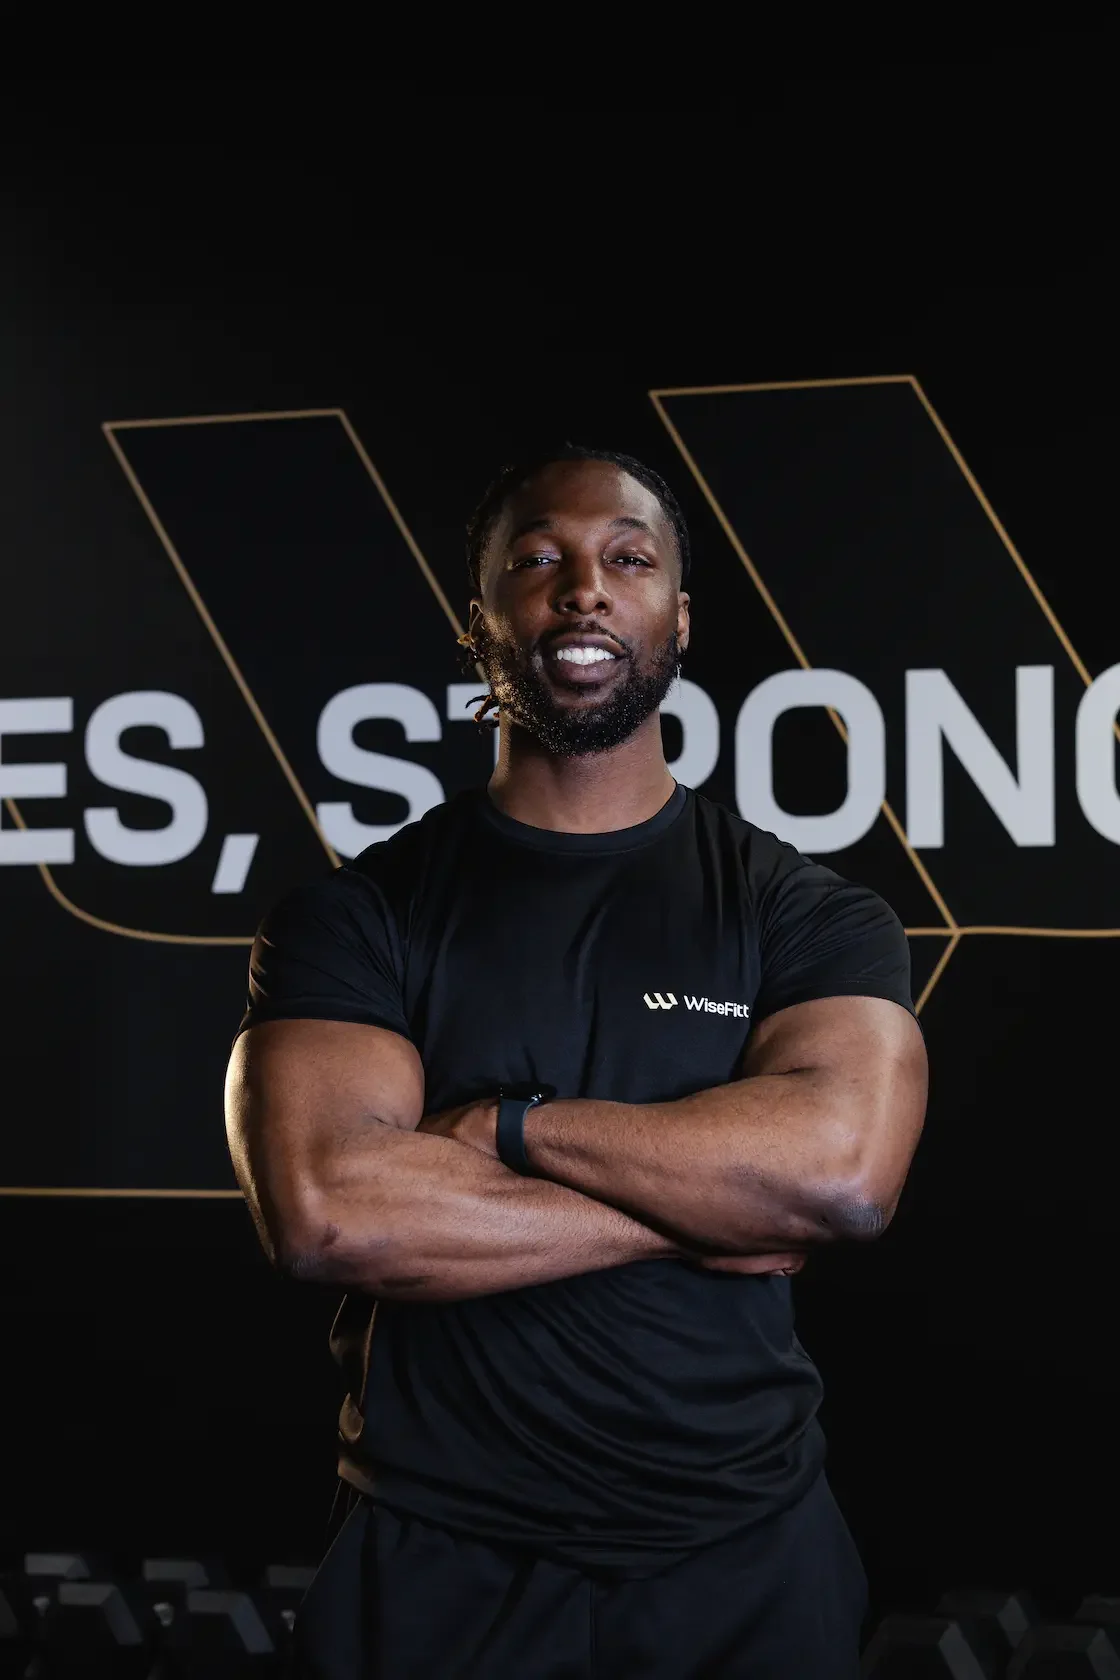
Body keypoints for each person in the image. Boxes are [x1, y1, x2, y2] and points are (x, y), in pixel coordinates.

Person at [225, 446, 928, 1679]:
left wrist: (507, 1130)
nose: (583, 587)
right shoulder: (356, 918)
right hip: (435, 1558)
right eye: (538, 559)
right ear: (480, 619)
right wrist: (697, 1213)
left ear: (678, 619)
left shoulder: (807, 915)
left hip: (745, 1559)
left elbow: (836, 1179)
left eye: (627, 558)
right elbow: (331, 1214)